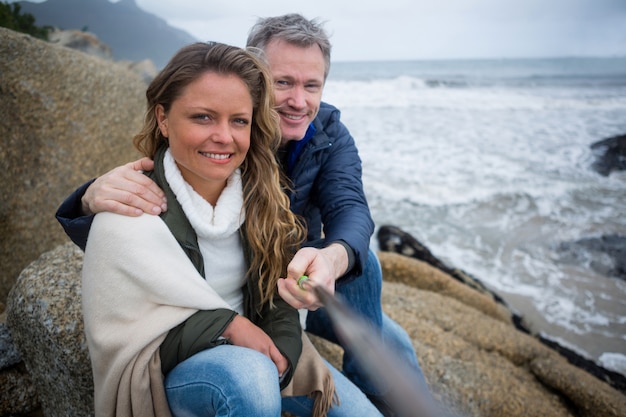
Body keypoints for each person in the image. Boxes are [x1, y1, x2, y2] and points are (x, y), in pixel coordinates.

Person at [57, 14, 433, 417]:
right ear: (257, 81)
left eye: (312, 86)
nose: (299, 100)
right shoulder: (194, 165)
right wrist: (87, 198)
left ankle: (380, 397)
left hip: (294, 283)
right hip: (220, 335)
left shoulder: (321, 138)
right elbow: (132, 258)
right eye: (283, 83)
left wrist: (329, 259)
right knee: (252, 375)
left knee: (388, 328)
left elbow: (350, 209)